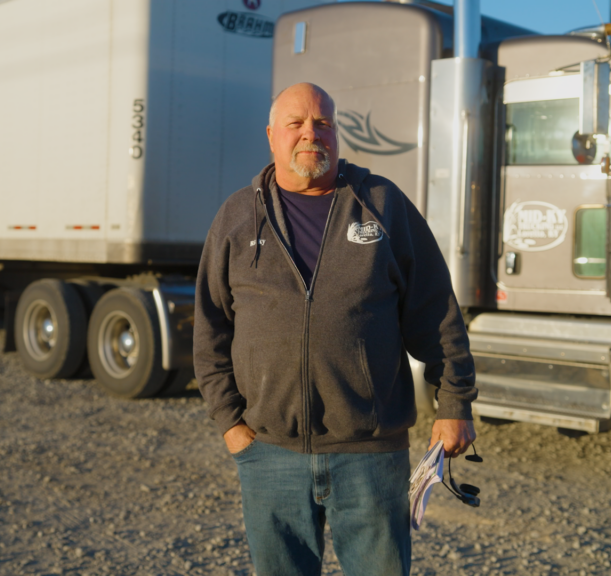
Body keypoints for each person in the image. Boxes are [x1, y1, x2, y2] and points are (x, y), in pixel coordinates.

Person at [193, 82, 477, 576]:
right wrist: (231, 425)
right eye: (296, 123)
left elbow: (435, 311)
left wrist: (454, 403)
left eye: (322, 123)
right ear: (271, 136)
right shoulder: (237, 217)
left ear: (336, 133)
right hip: (270, 453)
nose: (311, 133)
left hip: (370, 456)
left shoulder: (382, 204)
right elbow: (210, 328)